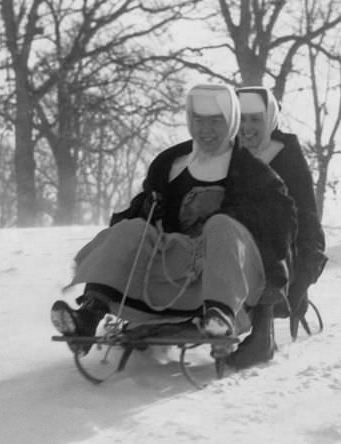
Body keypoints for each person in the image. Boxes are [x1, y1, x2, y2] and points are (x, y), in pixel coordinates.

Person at [51, 84, 297, 347]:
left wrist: (272, 297)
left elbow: (281, 229)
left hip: (230, 271)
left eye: (216, 121)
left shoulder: (256, 175)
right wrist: (146, 214)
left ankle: (219, 315)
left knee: (222, 225)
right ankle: (90, 313)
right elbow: (139, 212)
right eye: (199, 121)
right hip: (175, 270)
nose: (206, 130)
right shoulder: (171, 165)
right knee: (131, 229)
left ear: (231, 121)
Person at [226, 86, 327, 369]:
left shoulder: (285, 156)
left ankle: (262, 332)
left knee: (267, 229)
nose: (246, 128)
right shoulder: (227, 153)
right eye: (241, 119)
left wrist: (305, 272)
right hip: (231, 241)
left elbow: (306, 214)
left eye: (255, 120)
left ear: (269, 120)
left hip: (278, 248)